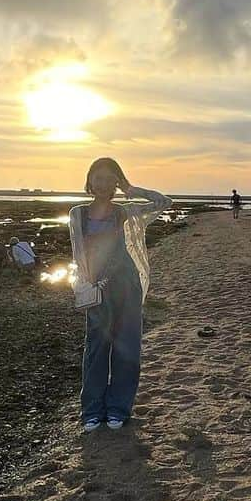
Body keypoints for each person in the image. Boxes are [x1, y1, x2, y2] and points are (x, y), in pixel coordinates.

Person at [68, 158, 171, 432]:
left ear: (117, 182)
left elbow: (164, 202)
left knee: (127, 348)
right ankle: (92, 410)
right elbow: (78, 256)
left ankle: (118, 408)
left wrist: (132, 189)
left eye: (110, 178)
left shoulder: (124, 212)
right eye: (97, 178)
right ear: (89, 181)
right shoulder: (77, 214)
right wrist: (84, 284)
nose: (102, 184)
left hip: (126, 286)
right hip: (97, 288)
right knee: (96, 349)